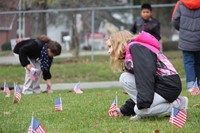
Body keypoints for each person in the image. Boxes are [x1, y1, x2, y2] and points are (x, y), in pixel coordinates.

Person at [105, 30, 188, 120]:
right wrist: (123, 110)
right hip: (160, 84)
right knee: (126, 77)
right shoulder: (134, 48)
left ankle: (178, 104)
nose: (108, 52)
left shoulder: (136, 47)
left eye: (110, 47)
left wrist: (142, 105)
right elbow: (140, 85)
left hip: (168, 86)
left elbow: (145, 77)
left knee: (139, 109)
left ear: (118, 43)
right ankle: (146, 108)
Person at [171, 0, 200, 95]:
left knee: (188, 62)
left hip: (185, 39)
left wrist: (183, 29)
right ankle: (198, 84)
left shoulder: (180, 3)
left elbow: (175, 20)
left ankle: (191, 86)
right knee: (198, 62)